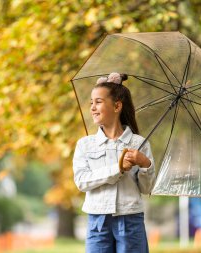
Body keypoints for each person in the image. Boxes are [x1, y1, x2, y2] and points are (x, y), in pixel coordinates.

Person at [73, 72, 155, 253]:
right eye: (91, 103)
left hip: (130, 218)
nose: (93, 107)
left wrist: (145, 164)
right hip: (98, 221)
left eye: (98, 102)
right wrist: (117, 168)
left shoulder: (139, 144)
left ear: (117, 106)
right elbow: (82, 181)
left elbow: (146, 188)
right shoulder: (85, 145)